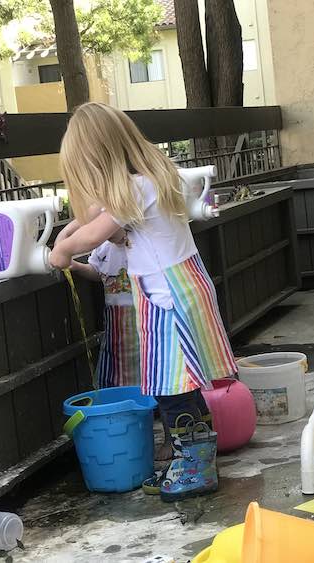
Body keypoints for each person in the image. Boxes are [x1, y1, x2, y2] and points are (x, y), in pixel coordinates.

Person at [49, 102, 237, 501]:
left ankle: (195, 466)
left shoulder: (136, 188)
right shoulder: (151, 179)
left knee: (171, 387)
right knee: (177, 384)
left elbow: (89, 235)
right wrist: (71, 231)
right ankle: (191, 460)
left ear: (100, 160)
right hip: (175, 290)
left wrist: (60, 253)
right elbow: (92, 219)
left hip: (169, 297)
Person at [61, 225, 140, 388]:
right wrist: (77, 266)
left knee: (144, 361)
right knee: (115, 362)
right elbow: (98, 272)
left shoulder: (140, 241)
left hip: (141, 314)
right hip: (114, 318)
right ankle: (117, 396)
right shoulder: (102, 246)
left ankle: (148, 400)